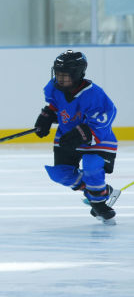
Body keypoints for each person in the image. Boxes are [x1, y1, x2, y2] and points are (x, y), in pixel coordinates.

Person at [34, 50, 120, 225]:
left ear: (78, 74)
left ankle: (98, 202)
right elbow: (55, 105)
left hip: (98, 139)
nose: (60, 79)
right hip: (66, 136)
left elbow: (103, 120)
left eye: (65, 76)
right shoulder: (55, 88)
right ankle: (99, 191)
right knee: (59, 174)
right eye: (58, 74)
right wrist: (47, 115)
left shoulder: (94, 94)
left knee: (92, 164)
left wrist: (83, 133)